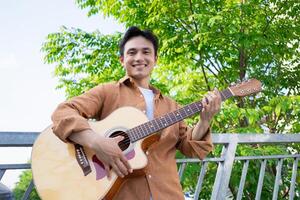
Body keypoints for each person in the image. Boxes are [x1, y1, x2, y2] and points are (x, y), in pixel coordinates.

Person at [51, 26, 221, 200]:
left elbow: (190, 149)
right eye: (132, 52)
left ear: (155, 59)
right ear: (122, 59)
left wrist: (205, 120)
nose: (139, 58)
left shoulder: (172, 106)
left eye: (146, 52)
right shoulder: (107, 92)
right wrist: (97, 142)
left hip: (168, 193)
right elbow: (62, 113)